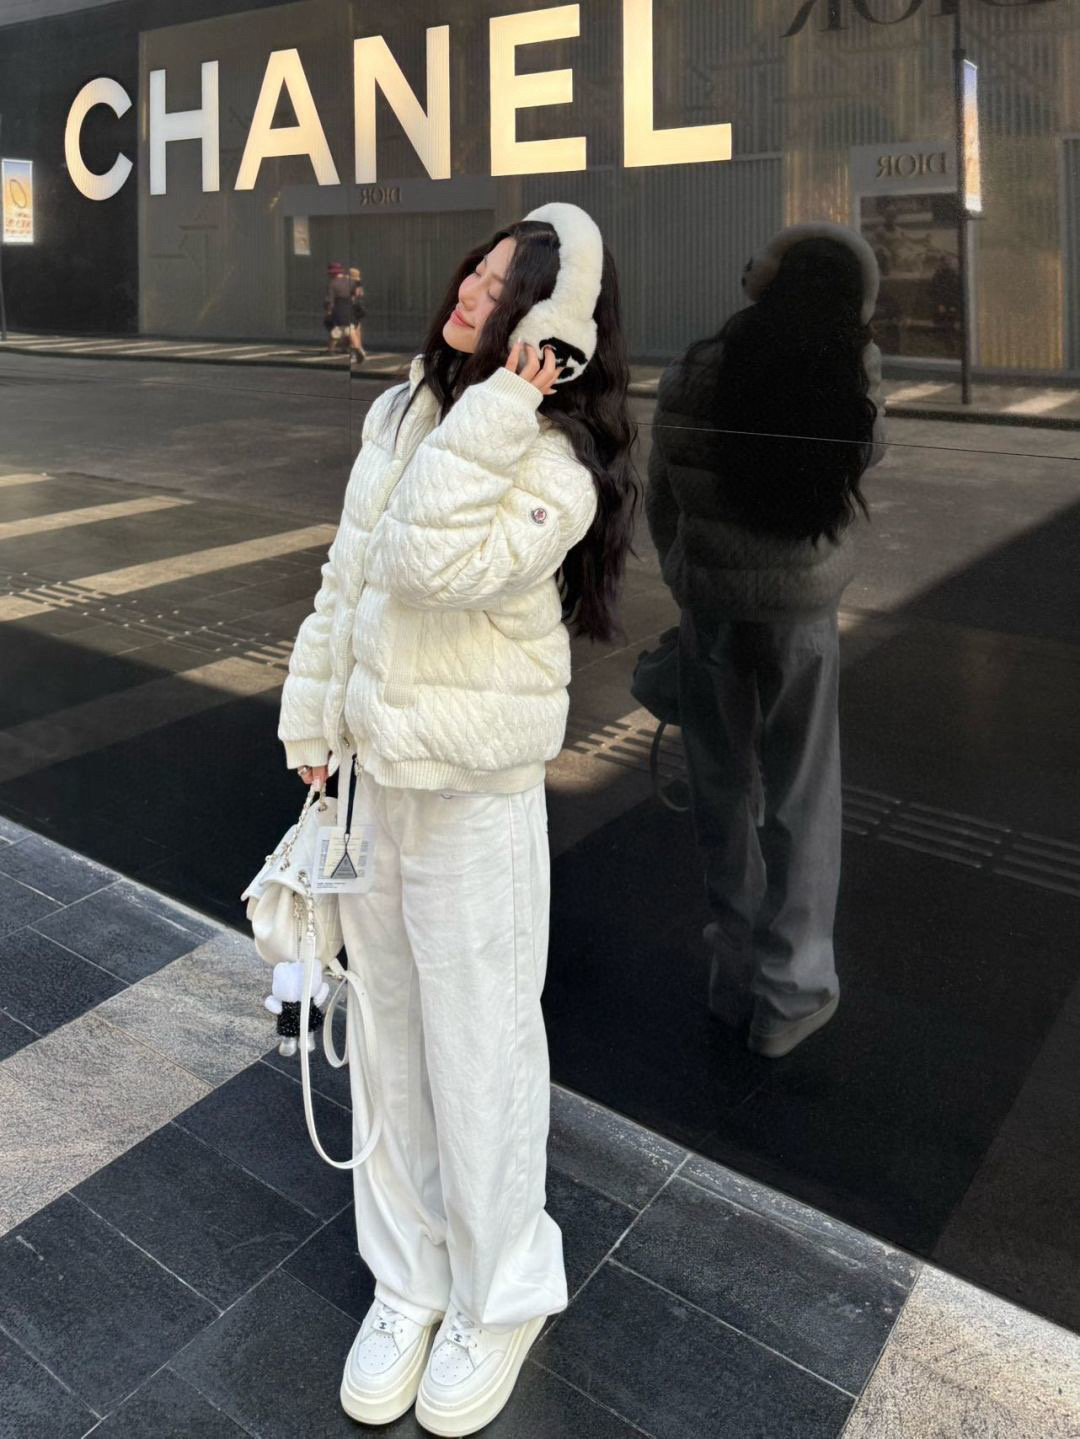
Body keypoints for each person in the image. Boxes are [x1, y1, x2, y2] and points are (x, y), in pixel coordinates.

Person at [278, 203, 636, 1434]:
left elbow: (431, 563)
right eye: (473, 274)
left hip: (474, 795)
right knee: (386, 1038)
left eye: (504, 288)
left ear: (554, 327)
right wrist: (314, 714)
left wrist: (504, 401)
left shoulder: (554, 461)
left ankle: (500, 1289)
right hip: (376, 778)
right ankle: (410, 1278)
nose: (470, 295)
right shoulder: (399, 410)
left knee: (480, 1051)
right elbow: (352, 572)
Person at [645, 222, 886, 1060]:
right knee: (801, 798)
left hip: (711, 607)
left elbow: (663, 493)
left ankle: (733, 976)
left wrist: (688, 575)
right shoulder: (849, 368)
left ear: (764, 283)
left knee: (721, 791)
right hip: (801, 614)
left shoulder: (694, 367)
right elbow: (867, 455)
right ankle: (793, 992)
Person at [324, 261, 353, 353]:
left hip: (338, 308)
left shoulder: (332, 284)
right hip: (350, 308)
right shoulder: (350, 282)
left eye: (330, 273)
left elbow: (330, 300)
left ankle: (330, 350)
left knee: (336, 330)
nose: (329, 275)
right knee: (348, 330)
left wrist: (328, 312)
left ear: (333, 273)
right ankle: (346, 348)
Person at [348, 266, 368, 363]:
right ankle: (360, 349)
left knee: (351, 331)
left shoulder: (351, 284)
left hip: (351, 308)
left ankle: (355, 353)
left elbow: (352, 297)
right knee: (357, 329)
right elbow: (361, 294)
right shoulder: (359, 284)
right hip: (358, 309)